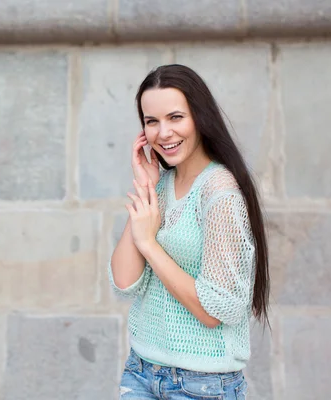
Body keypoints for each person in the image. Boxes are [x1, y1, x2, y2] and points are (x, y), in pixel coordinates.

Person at [108, 64, 270, 400]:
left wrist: (150, 244)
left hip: (203, 385)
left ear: (200, 117)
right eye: (151, 121)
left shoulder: (220, 193)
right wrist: (145, 187)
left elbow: (214, 313)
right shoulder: (162, 184)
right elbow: (124, 282)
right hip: (141, 371)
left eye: (175, 117)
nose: (163, 133)